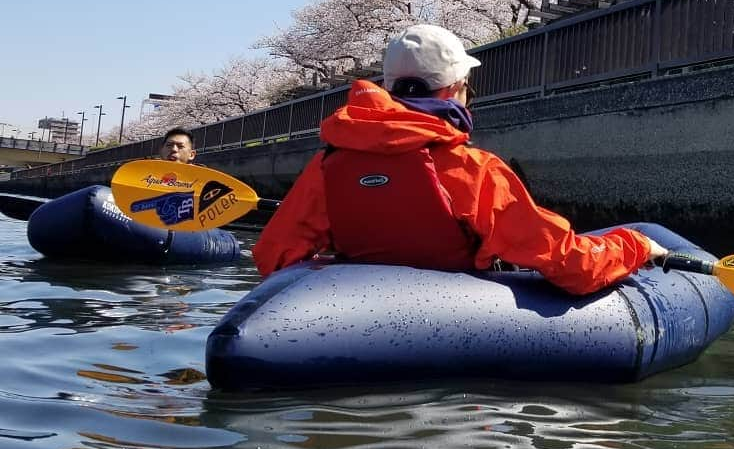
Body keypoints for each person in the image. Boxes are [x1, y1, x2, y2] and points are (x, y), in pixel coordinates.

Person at [252, 24, 667, 294]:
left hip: (357, 312)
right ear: (454, 90)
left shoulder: (328, 164)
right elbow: (572, 265)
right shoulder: (473, 168)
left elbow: (273, 257)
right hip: (456, 313)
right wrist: (634, 245)